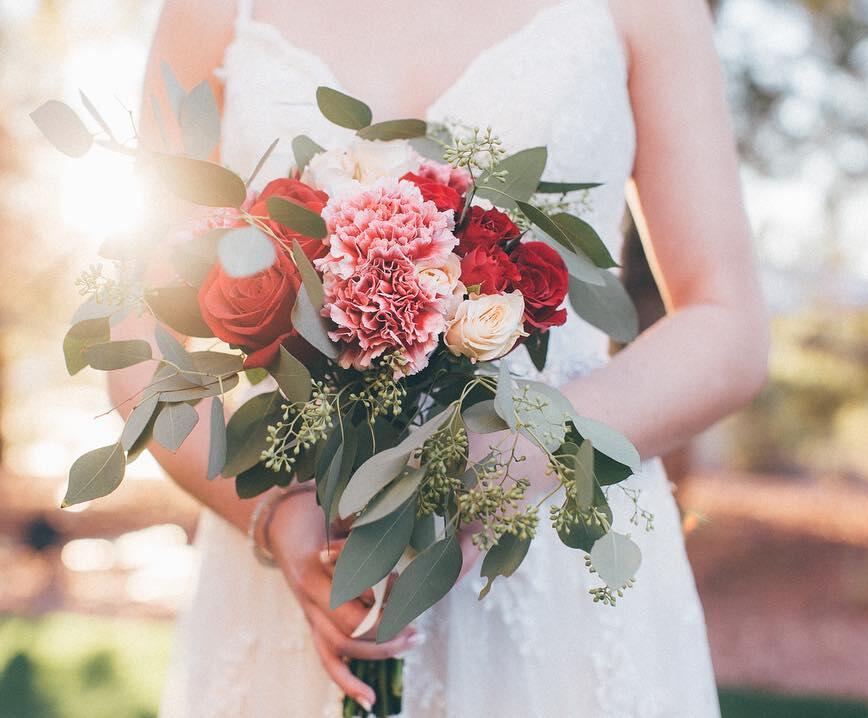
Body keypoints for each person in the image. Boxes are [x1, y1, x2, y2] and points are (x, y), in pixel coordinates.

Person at [109, 0, 768, 715]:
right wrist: (275, 512)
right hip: (312, 556)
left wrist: (527, 453)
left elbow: (726, 324)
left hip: (554, 552)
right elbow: (138, 336)